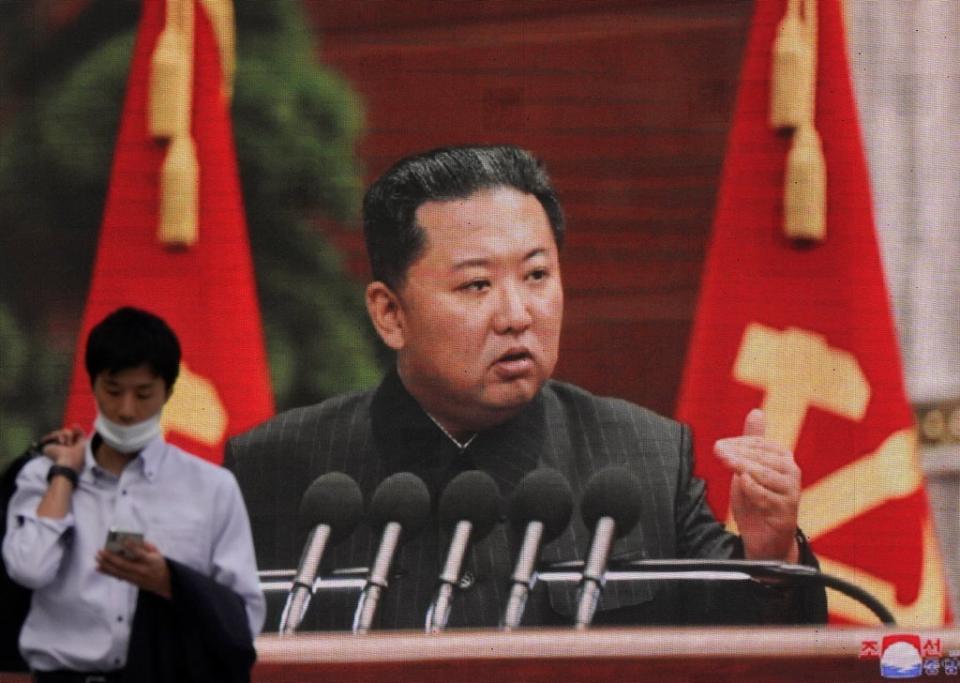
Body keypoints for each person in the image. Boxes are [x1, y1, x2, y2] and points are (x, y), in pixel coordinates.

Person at [226, 145, 825, 630]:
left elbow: (753, 651)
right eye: (477, 286)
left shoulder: (643, 455)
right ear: (390, 314)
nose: (516, 314)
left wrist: (771, 551)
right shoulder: (278, 467)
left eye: (537, 275)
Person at [2, 307, 265, 680]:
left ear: (168, 392)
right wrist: (64, 474)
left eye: (143, 393)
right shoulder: (40, 477)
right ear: (93, 385)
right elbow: (28, 568)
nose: (126, 410)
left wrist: (172, 582)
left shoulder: (211, 488)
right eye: (113, 390)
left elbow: (245, 616)